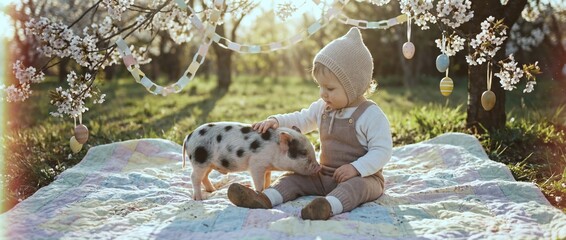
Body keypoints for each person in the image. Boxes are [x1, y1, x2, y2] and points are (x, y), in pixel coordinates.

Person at [227, 27, 392, 220]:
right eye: (320, 86)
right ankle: (264, 198)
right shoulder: (324, 107)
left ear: (354, 87)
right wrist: (277, 121)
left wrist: (356, 168)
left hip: (363, 177)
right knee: (293, 178)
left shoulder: (370, 115)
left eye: (329, 88)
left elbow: (382, 150)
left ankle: (327, 207)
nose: (323, 93)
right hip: (324, 175)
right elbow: (301, 119)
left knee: (356, 188)